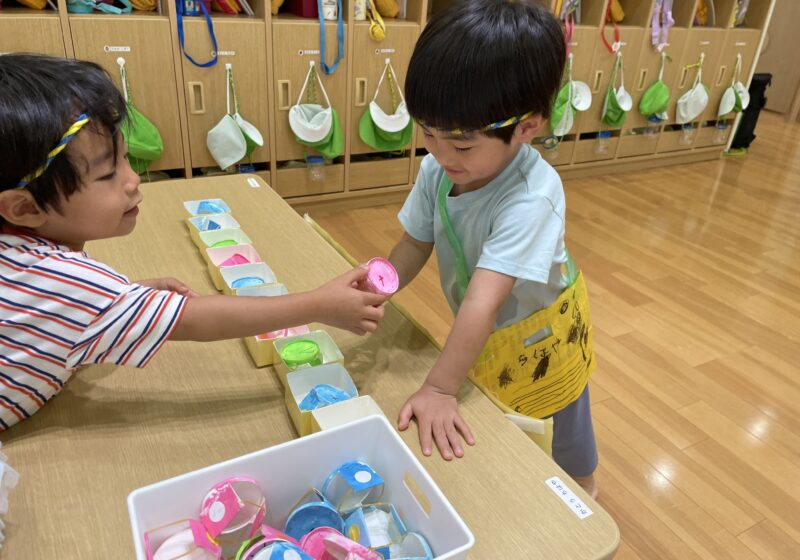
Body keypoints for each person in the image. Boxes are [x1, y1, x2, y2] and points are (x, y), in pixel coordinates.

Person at [0, 54, 386, 431]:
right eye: (107, 174)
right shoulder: (65, 282)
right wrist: (319, 305)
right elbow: (200, 320)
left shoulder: (26, 253)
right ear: (24, 208)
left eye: (126, 159)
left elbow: (54, 314)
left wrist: (124, 299)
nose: (132, 179)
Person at [387, 0, 599, 497]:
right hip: (490, 335)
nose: (439, 153)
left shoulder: (532, 195)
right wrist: (377, 284)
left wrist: (438, 389)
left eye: (460, 144)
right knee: (501, 420)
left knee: (563, 427)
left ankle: (585, 495)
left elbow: (485, 300)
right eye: (427, 133)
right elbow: (414, 243)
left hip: (543, 335)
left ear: (527, 127)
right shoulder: (439, 169)